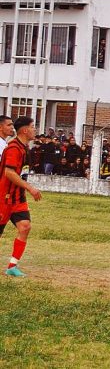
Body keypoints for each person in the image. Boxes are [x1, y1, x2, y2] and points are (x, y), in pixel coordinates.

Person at [0, 117, 42, 277]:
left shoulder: (24, 148)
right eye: (32, 127)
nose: (34, 130)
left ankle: (12, 266)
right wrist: (30, 188)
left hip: (17, 197)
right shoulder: (13, 148)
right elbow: (9, 173)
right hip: (3, 197)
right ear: (25, 130)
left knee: (25, 227)